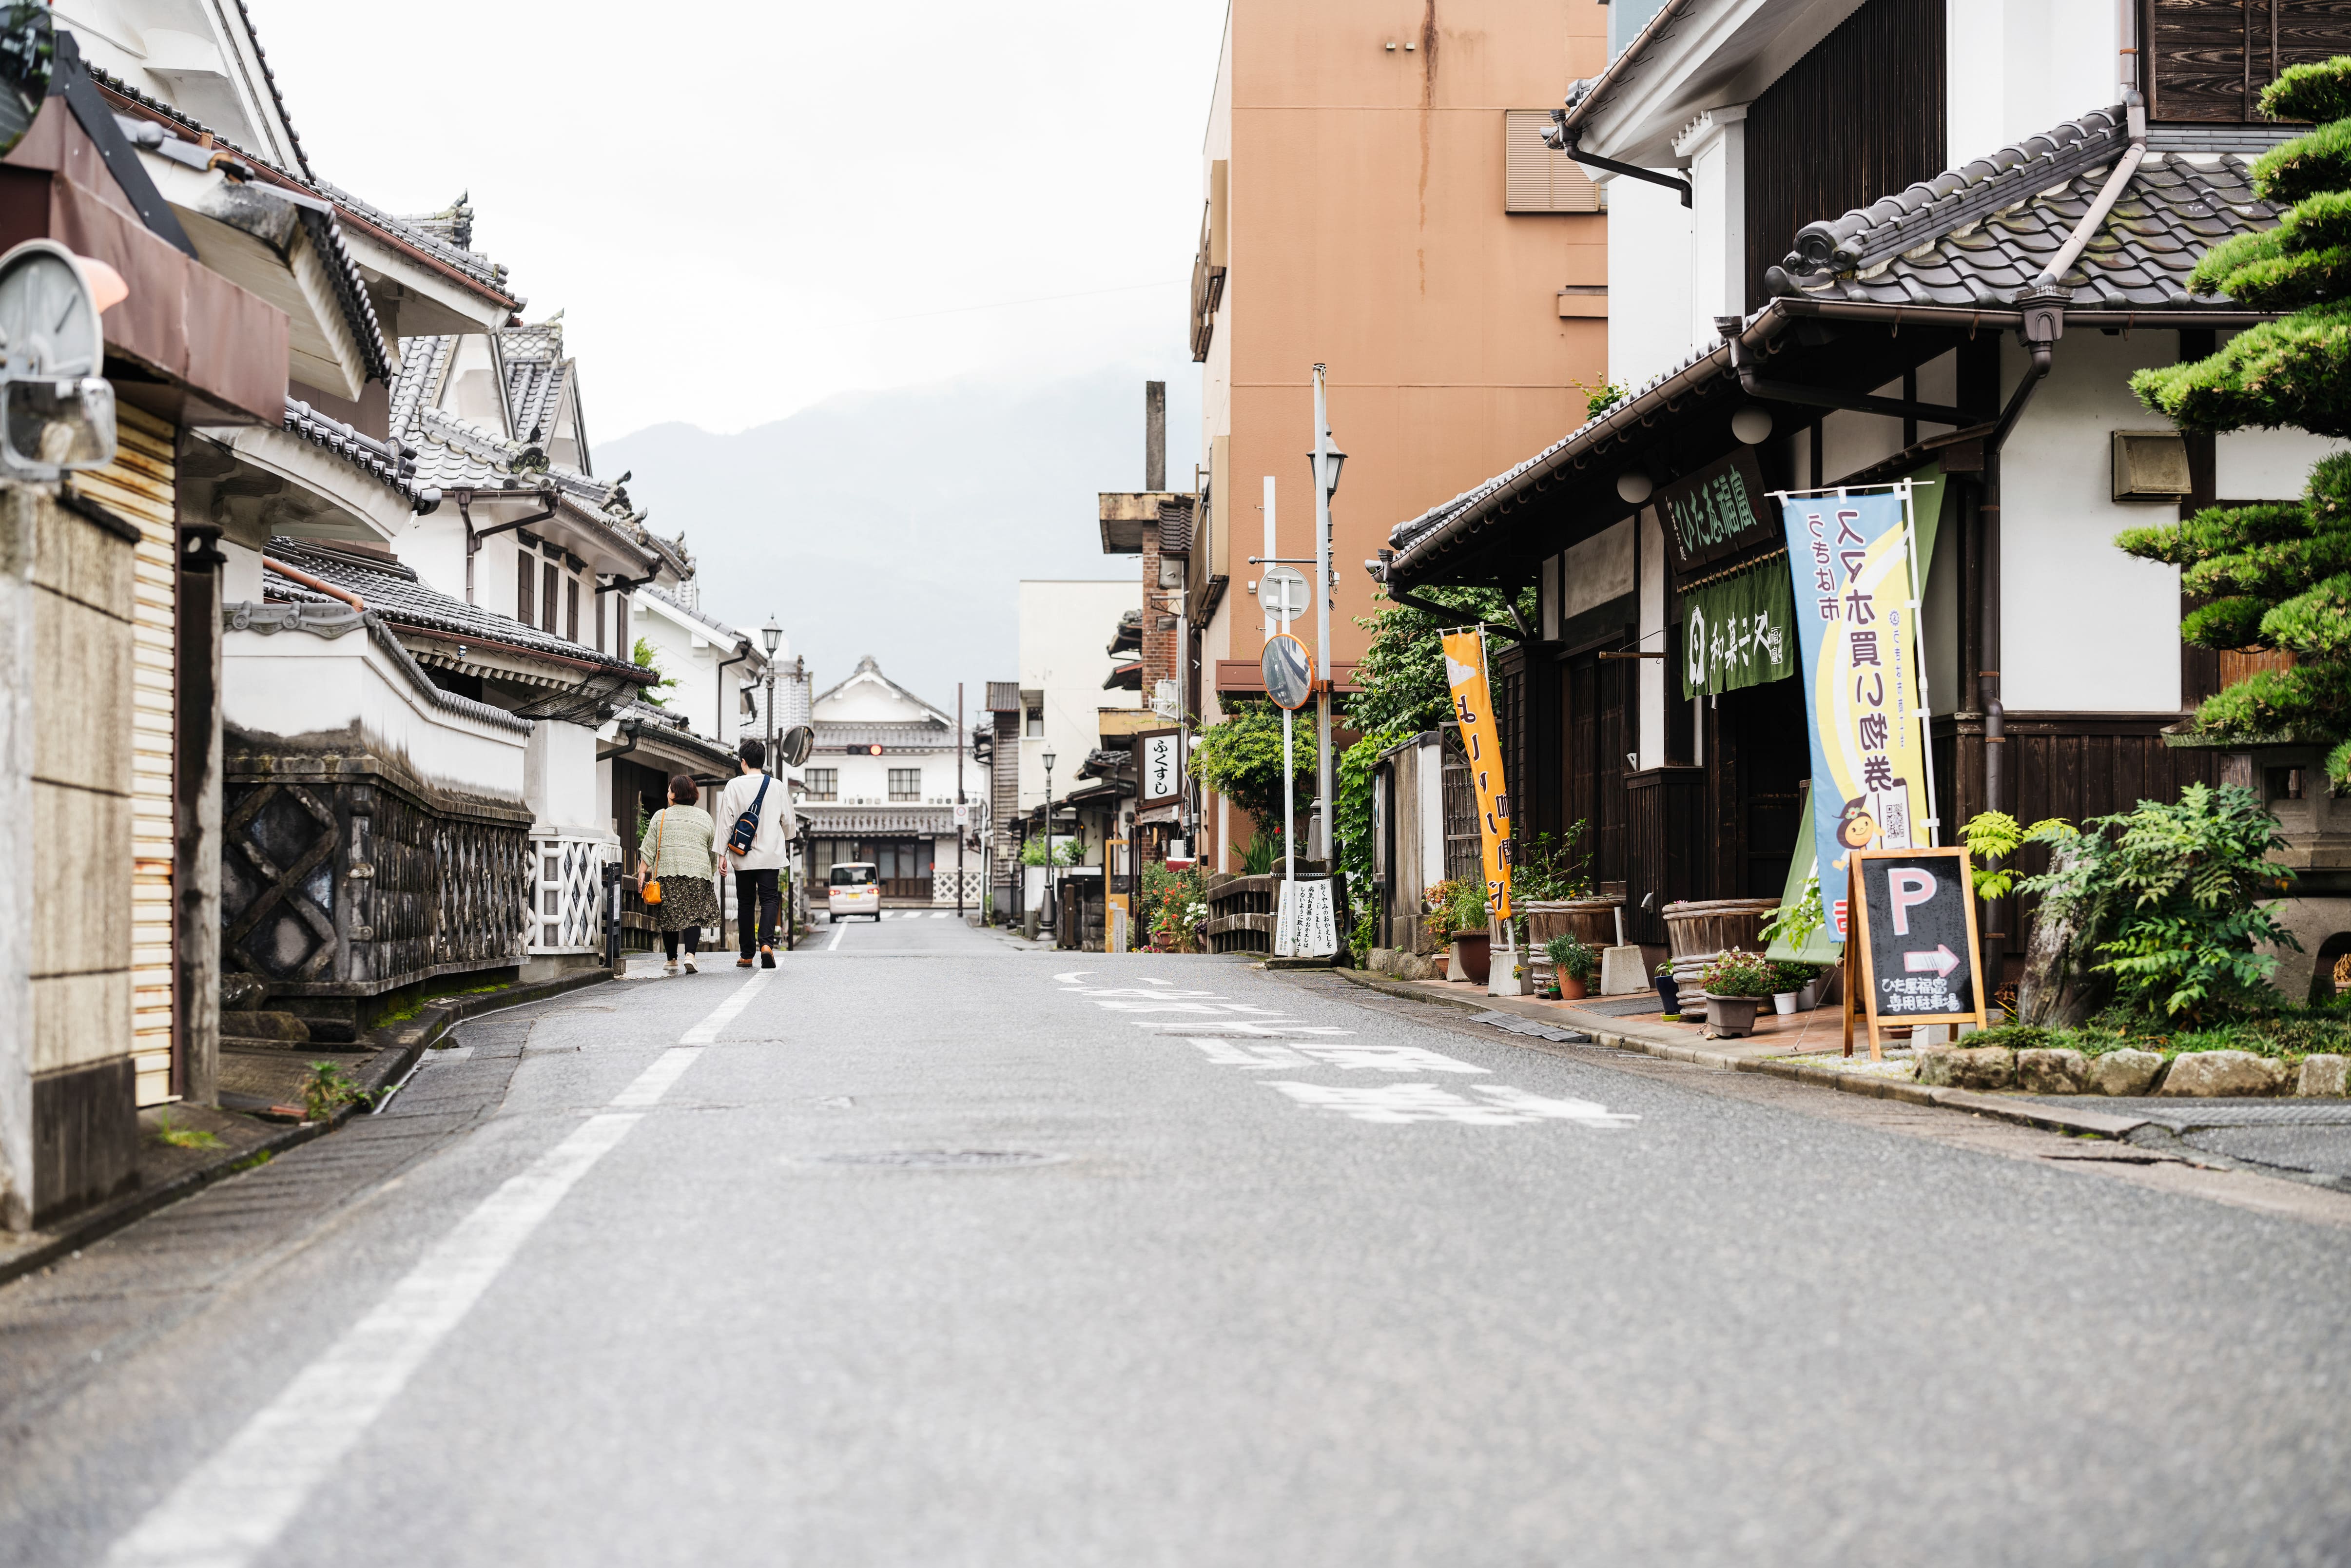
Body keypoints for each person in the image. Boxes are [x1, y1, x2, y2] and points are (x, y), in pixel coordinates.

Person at [716, 737, 796, 968]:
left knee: (746, 903)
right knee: (770, 899)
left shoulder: (734, 785)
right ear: (763, 761)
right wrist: (786, 837)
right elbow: (788, 821)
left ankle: (747, 954)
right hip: (771, 855)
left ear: (743, 762)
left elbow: (726, 823)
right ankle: (767, 945)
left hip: (743, 855)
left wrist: (722, 854)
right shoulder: (777, 785)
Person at [638, 773, 719, 974]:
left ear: (675, 794)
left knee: (670, 916)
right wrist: (712, 871)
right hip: (698, 874)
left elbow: (648, 848)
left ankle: (672, 959)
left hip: (669, 873)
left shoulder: (662, 816)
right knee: (693, 916)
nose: (667, 793)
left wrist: (642, 873)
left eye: (669, 790)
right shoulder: (705, 817)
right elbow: (712, 849)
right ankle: (690, 955)